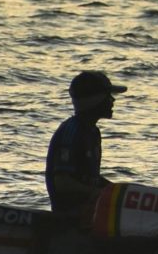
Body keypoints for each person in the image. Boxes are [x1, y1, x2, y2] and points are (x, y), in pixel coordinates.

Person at [46, 69, 127, 216]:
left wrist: (117, 191)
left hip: (90, 211)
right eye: (108, 96)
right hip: (69, 216)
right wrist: (100, 193)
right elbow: (62, 183)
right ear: (94, 101)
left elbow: (91, 178)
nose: (112, 101)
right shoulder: (71, 131)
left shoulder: (93, 132)